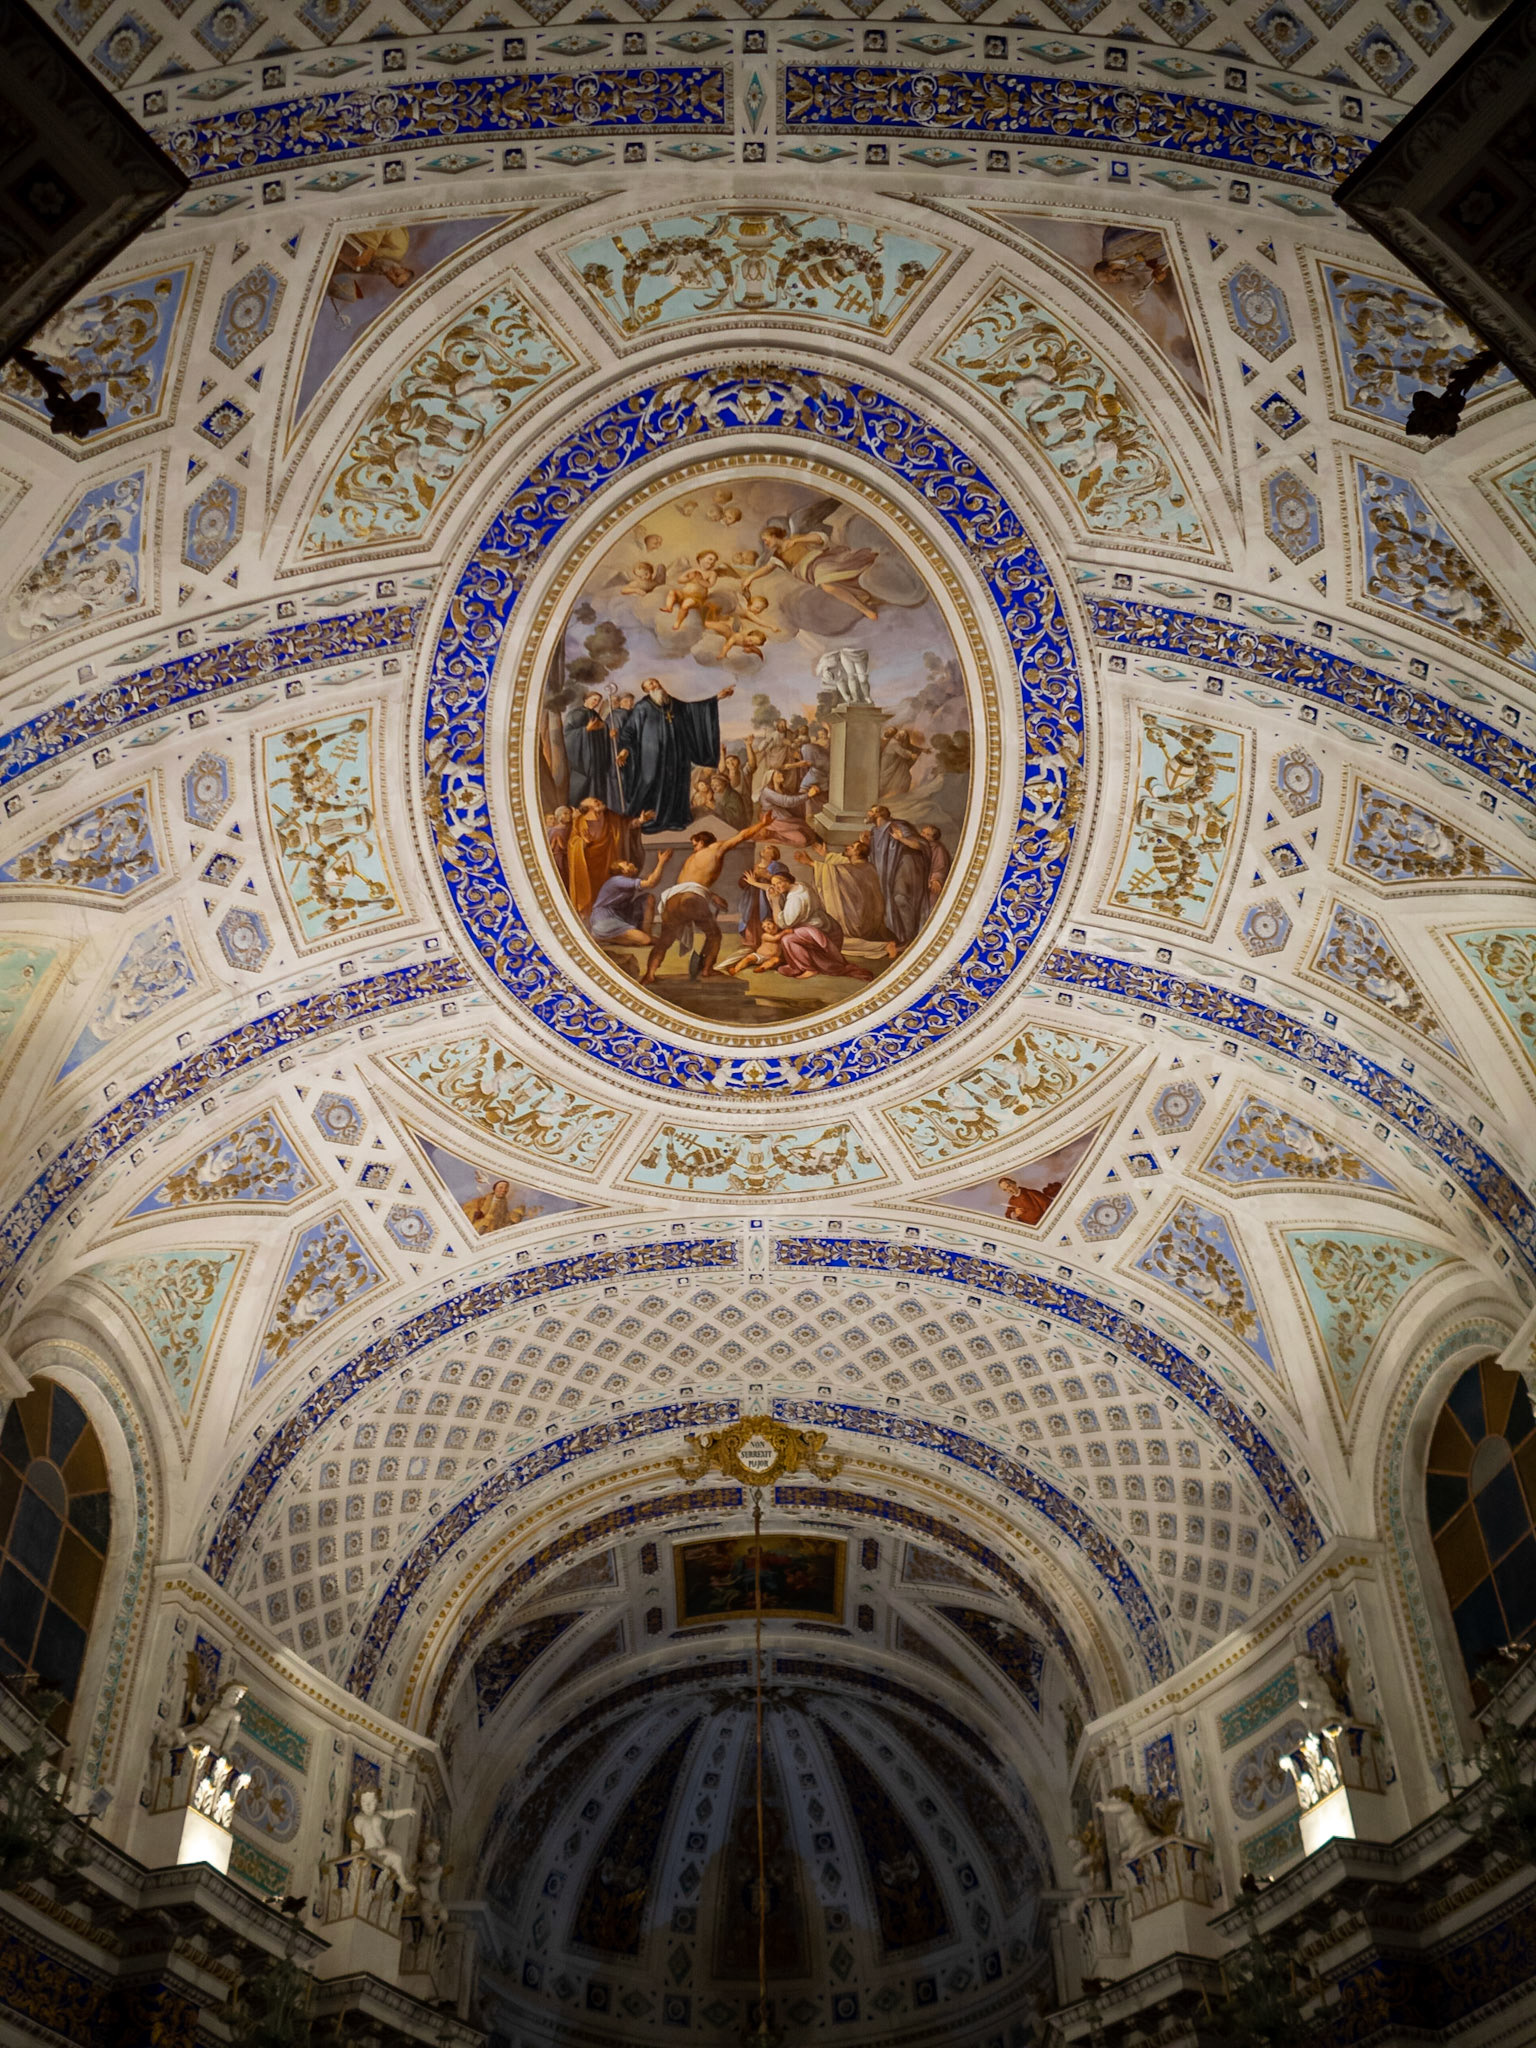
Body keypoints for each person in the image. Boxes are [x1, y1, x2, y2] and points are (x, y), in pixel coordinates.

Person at [643, 820, 764, 983]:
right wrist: (762, 823)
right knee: (714, 935)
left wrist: (712, 896)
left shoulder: (690, 860)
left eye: (695, 844)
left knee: (665, 940)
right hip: (691, 899)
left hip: (672, 900)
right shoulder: (715, 849)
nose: (694, 849)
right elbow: (742, 835)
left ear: (702, 841)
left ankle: (650, 974)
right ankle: (707, 969)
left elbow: (689, 885)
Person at [625, 677, 735, 833]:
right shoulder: (642, 707)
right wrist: (624, 749)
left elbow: (692, 710)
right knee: (651, 784)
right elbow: (630, 730)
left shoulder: (672, 703)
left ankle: (675, 819)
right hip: (653, 758)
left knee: (676, 785)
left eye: (655, 682)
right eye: (650, 684)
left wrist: (717, 697)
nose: (655, 685)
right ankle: (649, 820)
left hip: (678, 755)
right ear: (646, 690)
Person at [764, 872, 873, 981]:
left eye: (780, 883)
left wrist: (775, 901)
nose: (777, 887)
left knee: (787, 939)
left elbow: (784, 924)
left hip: (819, 931)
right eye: (774, 885)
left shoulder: (795, 899)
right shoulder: (801, 886)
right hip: (826, 925)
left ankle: (809, 968)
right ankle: (800, 965)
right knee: (790, 937)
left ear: (788, 881)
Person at [866, 805, 929, 954]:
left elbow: (920, 845)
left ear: (878, 814)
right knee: (890, 902)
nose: (867, 813)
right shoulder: (874, 831)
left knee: (901, 899)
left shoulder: (898, 825)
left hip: (905, 867)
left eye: (871, 810)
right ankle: (901, 938)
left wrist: (902, 839)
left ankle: (911, 938)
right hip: (887, 871)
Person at [798, 837, 885, 942]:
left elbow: (836, 871)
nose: (847, 847)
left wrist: (810, 863)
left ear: (857, 853)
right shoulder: (867, 866)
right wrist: (826, 854)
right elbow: (842, 864)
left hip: (857, 923)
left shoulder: (854, 870)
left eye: (852, 847)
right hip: (868, 919)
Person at [589, 847, 675, 946]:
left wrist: (661, 863)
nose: (630, 864)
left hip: (621, 915)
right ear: (622, 871)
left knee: (648, 898)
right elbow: (651, 883)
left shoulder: (628, 880)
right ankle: (603, 937)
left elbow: (652, 879)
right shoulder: (617, 880)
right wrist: (661, 862)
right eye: (626, 864)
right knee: (645, 940)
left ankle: (646, 933)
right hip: (605, 919)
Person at [564, 690, 625, 812]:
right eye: (594, 699)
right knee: (583, 787)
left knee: (597, 785)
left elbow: (601, 731)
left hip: (597, 758)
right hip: (583, 762)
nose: (596, 703)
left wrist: (608, 734)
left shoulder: (595, 715)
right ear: (586, 699)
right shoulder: (574, 714)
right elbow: (567, 735)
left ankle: (597, 811)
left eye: (598, 701)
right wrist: (585, 730)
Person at [350, 1788, 417, 1894]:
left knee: (398, 1852)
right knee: (396, 1857)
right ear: (359, 1802)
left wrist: (407, 1811)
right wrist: (355, 1854)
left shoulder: (379, 1814)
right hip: (371, 1851)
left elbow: (393, 1814)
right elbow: (356, 1837)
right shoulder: (359, 1819)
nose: (368, 1805)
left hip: (381, 1849)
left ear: (377, 1801)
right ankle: (403, 1882)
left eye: (371, 1801)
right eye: (364, 1801)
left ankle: (398, 1877)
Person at [738, 842, 792, 949]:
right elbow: (743, 882)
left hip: (769, 898)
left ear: (772, 855)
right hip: (753, 898)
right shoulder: (756, 866)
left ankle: (771, 944)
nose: (764, 849)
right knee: (752, 917)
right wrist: (748, 880)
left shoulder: (777, 866)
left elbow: (781, 882)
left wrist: (762, 876)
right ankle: (753, 942)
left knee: (768, 917)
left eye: (768, 848)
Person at [920, 823, 951, 899]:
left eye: (927, 835)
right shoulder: (919, 845)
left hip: (929, 884)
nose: (923, 836)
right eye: (923, 832)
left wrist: (936, 880)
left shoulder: (938, 849)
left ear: (933, 838)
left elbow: (941, 868)